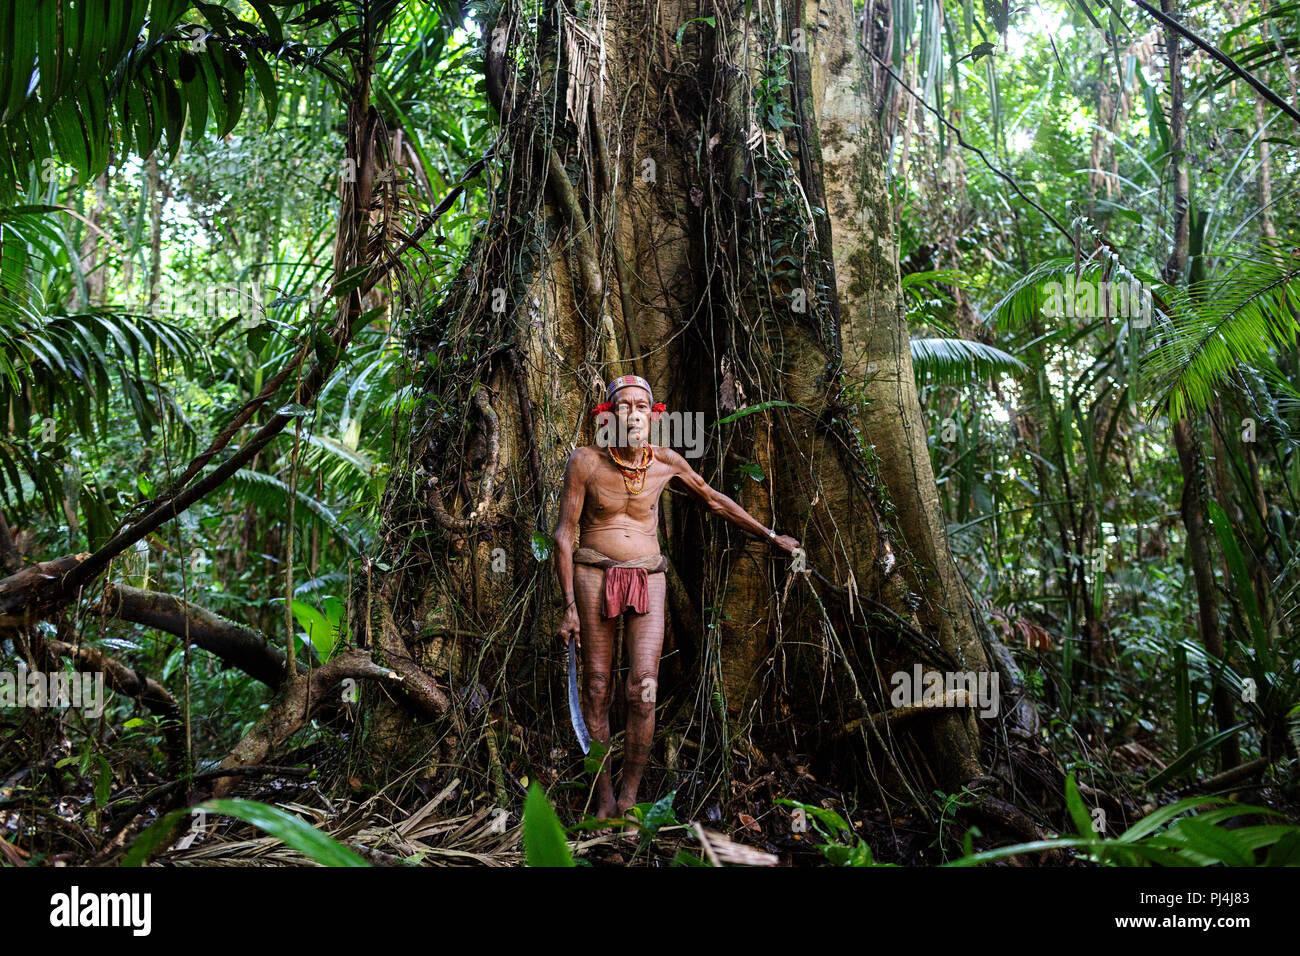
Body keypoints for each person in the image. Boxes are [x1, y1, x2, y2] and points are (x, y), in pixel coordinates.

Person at [552, 374, 800, 818]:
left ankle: (629, 799)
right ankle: (603, 799)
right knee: (595, 685)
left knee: (643, 689)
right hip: (594, 574)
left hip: (649, 577)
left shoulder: (665, 462)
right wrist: (568, 605)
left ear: (653, 416)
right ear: (608, 415)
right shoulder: (585, 462)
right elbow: (564, 537)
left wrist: (769, 534)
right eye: (623, 405)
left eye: (641, 406)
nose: (632, 413)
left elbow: (715, 501)